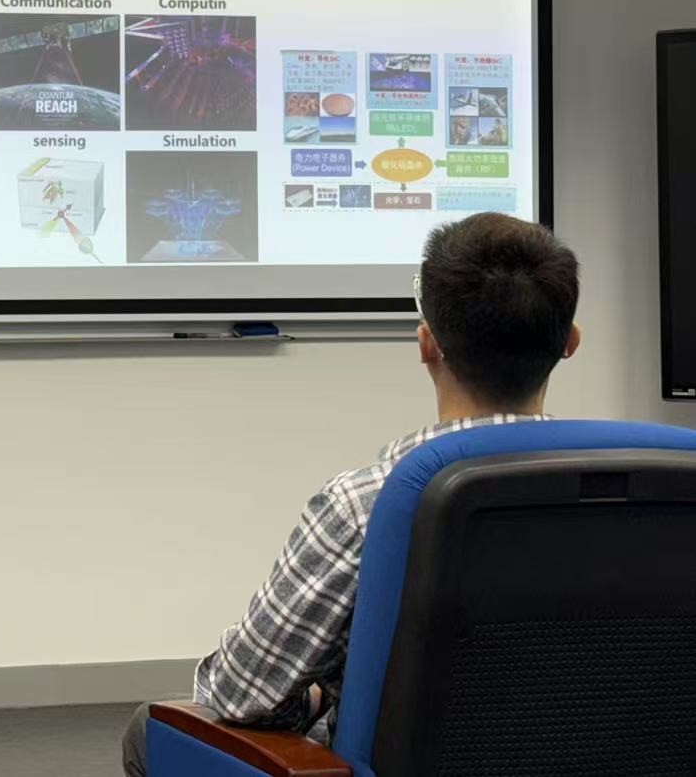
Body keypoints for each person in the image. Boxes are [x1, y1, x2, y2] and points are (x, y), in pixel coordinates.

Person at [122, 212, 580, 775]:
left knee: (149, 729)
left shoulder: (370, 503)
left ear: (427, 344)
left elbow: (242, 694)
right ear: (570, 342)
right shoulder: (661, 492)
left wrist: (316, 699)